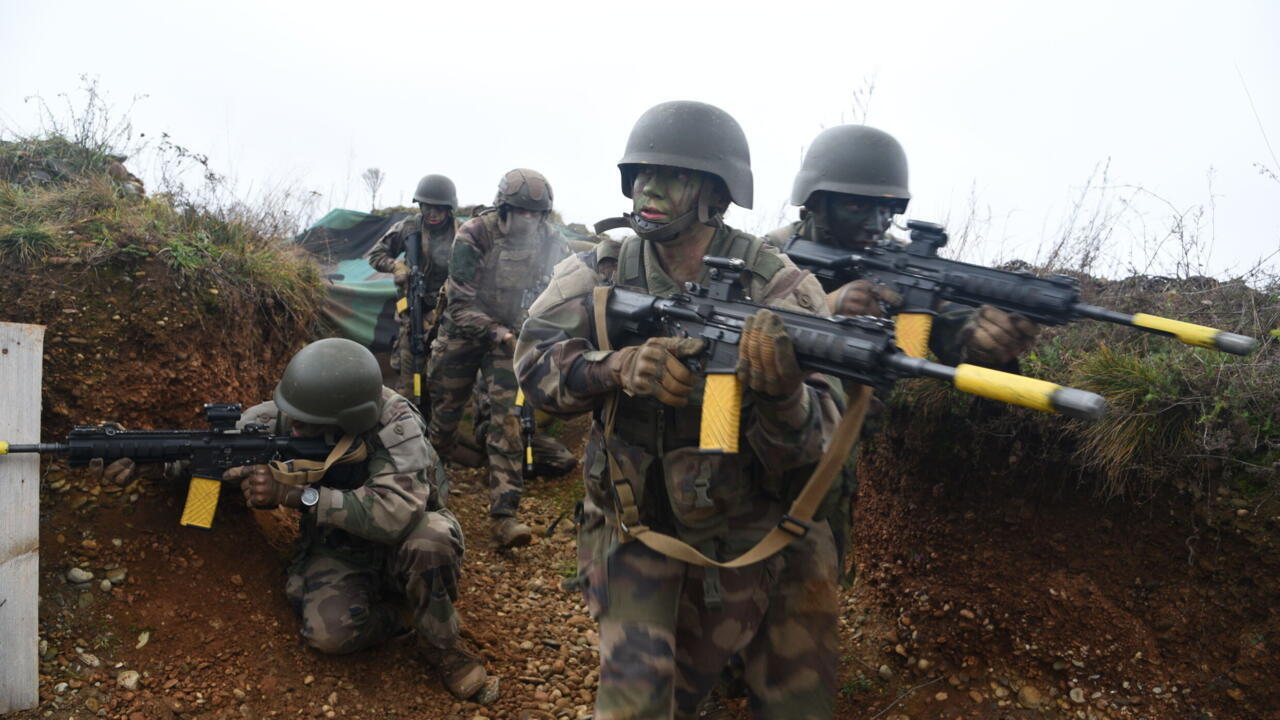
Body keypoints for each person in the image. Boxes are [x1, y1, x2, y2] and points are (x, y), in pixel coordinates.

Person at [516, 100, 843, 719]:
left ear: (715, 196)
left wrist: (783, 396)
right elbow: (534, 368)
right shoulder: (600, 272)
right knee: (637, 705)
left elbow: (821, 450)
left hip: (749, 528)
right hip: (635, 521)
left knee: (767, 698)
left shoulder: (780, 289)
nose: (648, 188)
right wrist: (615, 369)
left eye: (673, 176)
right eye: (641, 173)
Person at [104, 338, 498, 704]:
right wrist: (148, 461)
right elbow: (210, 451)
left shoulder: (396, 427)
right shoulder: (292, 413)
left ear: (350, 418)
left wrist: (293, 495)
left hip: (405, 536)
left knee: (433, 539)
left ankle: (442, 645)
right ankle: (405, 614)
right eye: (292, 414)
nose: (294, 427)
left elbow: (395, 514)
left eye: (307, 423)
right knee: (328, 634)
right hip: (341, 542)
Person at [765, 124, 1041, 367]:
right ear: (815, 203)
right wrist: (825, 307)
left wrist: (981, 344)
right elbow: (737, 326)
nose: (876, 224)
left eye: (887, 209)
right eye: (856, 205)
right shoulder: (771, 252)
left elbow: (950, 318)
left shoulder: (901, 264)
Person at [426, 169, 570, 548]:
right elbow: (459, 304)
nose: (529, 221)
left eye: (535, 214)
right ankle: (424, 498)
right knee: (442, 419)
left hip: (509, 337)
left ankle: (504, 517)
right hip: (463, 331)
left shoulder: (552, 241)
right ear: (504, 209)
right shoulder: (475, 233)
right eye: (521, 212)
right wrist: (501, 333)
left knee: (508, 421)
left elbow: (568, 286)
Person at [367, 174, 472, 420]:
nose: (432, 213)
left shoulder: (463, 233)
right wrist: (396, 267)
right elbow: (376, 254)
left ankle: (438, 435)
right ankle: (408, 427)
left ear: (449, 209)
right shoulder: (409, 227)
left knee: (444, 383)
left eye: (438, 208)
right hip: (413, 315)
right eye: (427, 207)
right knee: (409, 379)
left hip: (449, 318)